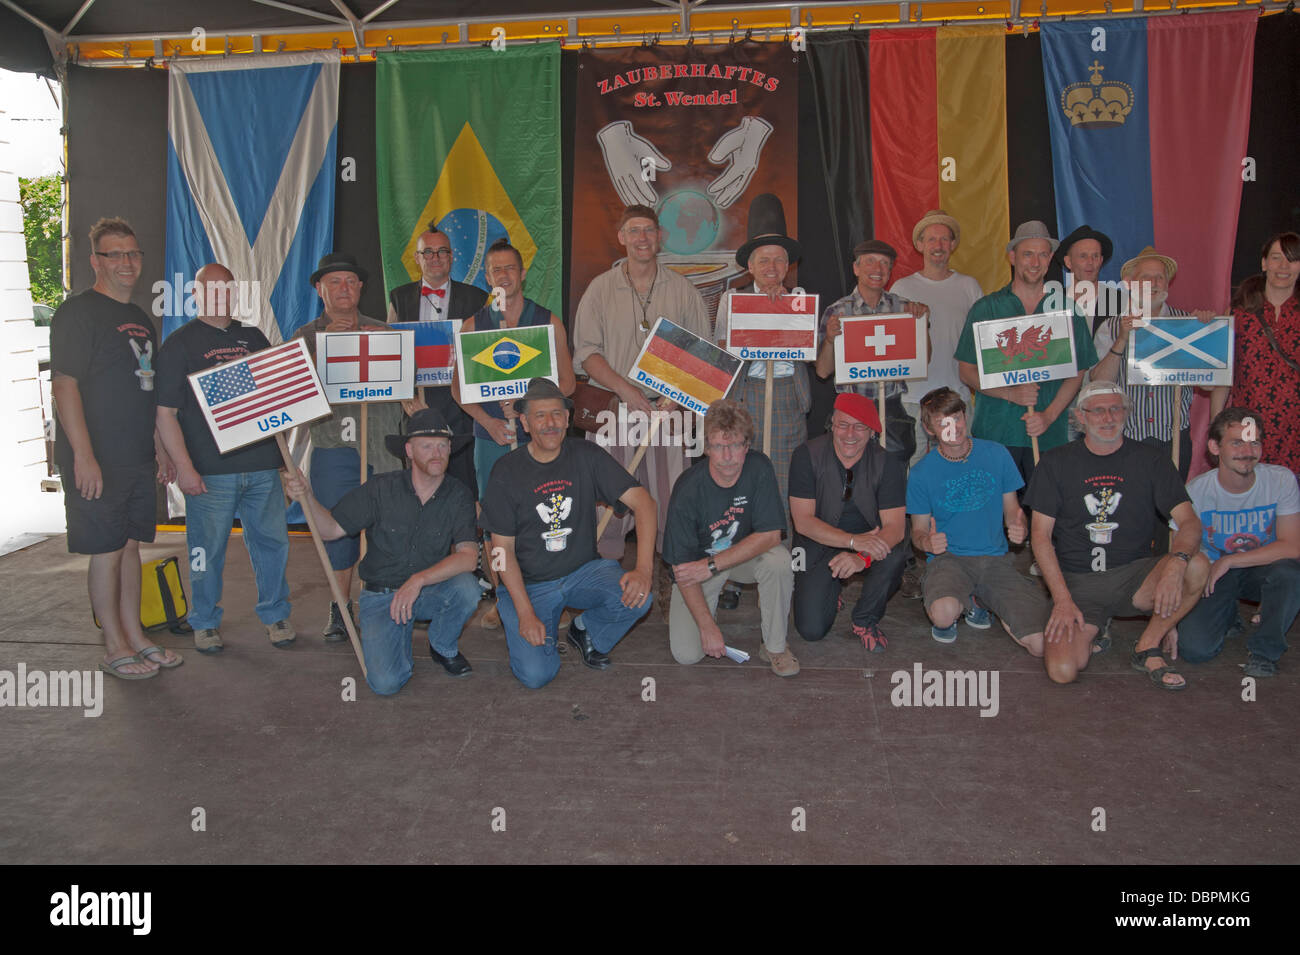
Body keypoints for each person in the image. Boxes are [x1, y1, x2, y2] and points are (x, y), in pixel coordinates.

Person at [51, 216, 182, 679]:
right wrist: (84, 457)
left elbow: (143, 389)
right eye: (115, 254)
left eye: (133, 253)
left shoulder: (138, 318)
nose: (126, 262)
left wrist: (159, 449)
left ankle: (136, 635)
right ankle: (112, 645)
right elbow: (64, 385)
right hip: (97, 458)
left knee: (130, 547)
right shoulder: (77, 312)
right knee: (106, 549)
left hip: (135, 456)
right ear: (95, 261)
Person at [1024, 380, 1210, 689]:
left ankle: (1147, 645)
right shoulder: (1055, 462)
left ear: (1126, 414)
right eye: (1097, 411)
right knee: (1063, 671)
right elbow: (1040, 538)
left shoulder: (1151, 460)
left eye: (1115, 409)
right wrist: (1061, 600)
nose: (1108, 418)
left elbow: (1189, 522)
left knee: (1196, 564)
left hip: (1134, 579)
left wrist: (1176, 562)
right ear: (1080, 417)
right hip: (1077, 584)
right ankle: (1099, 625)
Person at [283, 409, 481, 695]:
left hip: (428, 590)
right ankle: (395, 636)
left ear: (451, 448)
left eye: (442, 445)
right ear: (409, 451)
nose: (436, 453)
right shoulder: (380, 488)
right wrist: (307, 498)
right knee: (386, 684)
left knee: (467, 589)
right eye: (427, 446)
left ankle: (442, 646)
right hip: (381, 596)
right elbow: (331, 530)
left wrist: (418, 580)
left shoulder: (459, 494)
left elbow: (468, 556)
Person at [479, 379, 656, 689]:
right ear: (525, 422)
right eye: (540, 416)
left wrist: (643, 569)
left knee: (639, 598)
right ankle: (533, 631)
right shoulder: (506, 471)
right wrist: (525, 613)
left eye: (557, 414)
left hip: (582, 573)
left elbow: (645, 504)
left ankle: (586, 630)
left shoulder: (586, 455)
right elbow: (500, 550)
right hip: (529, 586)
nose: (550, 423)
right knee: (536, 675)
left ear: (568, 418)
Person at [155, 263, 293, 654]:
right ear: (194, 294)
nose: (219, 295)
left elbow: (276, 400)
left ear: (235, 293)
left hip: (262, 466)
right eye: (209, 289)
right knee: (205, 550)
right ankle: (204, 620)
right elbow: (165, 413)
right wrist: (184, 466)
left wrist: (283, 462)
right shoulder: (179, 344)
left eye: (226, 288)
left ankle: (276, 613)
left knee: (272, 544)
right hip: (210, 471)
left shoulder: (254, 337)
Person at [571, 204, 712, 562]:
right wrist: (625, 389)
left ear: (660, 237)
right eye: (634, 231)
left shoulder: (683, 291)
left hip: (668, 410)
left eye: (648, 230)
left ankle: (670, 580)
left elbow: (702, 357)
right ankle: (605, 582)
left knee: (669, 499)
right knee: (607, 505)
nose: (642, 238)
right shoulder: (600, 289)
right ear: (621, 238)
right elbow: (587, 354)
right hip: (613, 409)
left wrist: (678, 397)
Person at [451, 238, 575, 629]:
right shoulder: (474, 326)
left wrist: (529, 401)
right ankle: (503, 595)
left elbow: (568, 385)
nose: (503, 276)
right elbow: (458, 390)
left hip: (541, 441)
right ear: (487, 278)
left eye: (510, 268)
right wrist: (487, 422)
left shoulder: (547, 321)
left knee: (546, 517)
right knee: (496, 523)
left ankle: (549, 592)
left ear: (522, 273)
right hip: (492, 440)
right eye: (495, 270)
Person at [293, 252, 404, 643]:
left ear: (360, 288)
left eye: (350, 281)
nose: (344, 288)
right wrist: (331, 345)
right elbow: (294, 399)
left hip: (382, 448)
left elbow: (405, 392)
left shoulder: (385, 333)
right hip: (334, 448)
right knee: (338, 532)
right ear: (319, 289)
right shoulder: (305, 338)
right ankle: (340, 608)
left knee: (385, 528)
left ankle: (380, 602)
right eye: (334, 282)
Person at [956, 221, 1099, 489]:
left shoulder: (1067, 310)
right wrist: (1010, 393)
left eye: (1043, 254)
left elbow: (1077, 371)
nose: (1035, 262)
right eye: (1027, 254)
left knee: (1046, 515)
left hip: (1048, 435)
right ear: (1012, 257)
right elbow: (966, 371)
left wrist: (1048, 416)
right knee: (999, 514)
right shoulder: (986, 308)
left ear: (1051, 259)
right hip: (996, 432)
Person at [906, 387, 1048, 653]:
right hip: (949, 559)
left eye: (957, 417)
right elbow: (918, 531)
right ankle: (968, 598)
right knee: (943, 614)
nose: (953, 427)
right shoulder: (921, 473)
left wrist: (1020, 527)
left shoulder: (996, 453)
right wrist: (927, 542)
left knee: (1040, 645)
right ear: (929, 429)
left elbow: (1013, 511)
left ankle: (981, 599)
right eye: (943, 422)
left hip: (995, 559)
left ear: (965, 416)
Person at [662, 400, 798, 676]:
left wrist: (713, 565)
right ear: (706, 448)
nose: (727, 455)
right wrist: (707, 627)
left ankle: (774, 646)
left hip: (739, 557)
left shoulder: (759, 468)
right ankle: (709, 616)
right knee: (687, 655)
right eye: (718, 446)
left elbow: (772, 534)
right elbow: (682, 569)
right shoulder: (688, 488)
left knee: (780, 560)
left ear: (747, 447)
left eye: (735, 445)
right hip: (698, 568)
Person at [1177, 407, 1300, 677]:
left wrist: (1230, 559)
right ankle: (1228, 614)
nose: (1247, 451)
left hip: (1262, 567)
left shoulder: (1281, 480)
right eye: (1237, 442)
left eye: (1254, 442)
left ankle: (1265, 650)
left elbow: (1293, 546)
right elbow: (1177, 555)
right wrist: (1168, 622)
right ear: (1214, 447)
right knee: (1195, 651)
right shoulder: (1196, 492)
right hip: (1213, 575)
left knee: (1290, 573)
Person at [789, 393, 907, 652]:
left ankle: (865, 618)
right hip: (817, 539)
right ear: (831, 424)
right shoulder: (805, 455)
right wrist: (851, 542)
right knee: (811, 630)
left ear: (872, 432)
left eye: (859, 426)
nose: (849, 434)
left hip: (869, 538)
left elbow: (896, 527)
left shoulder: (887, 463)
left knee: (897, 554)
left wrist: (861, 556)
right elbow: (803, 523)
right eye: (843, 425)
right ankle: (829, 592)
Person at [1088, 245, 1216, 482]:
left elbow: (1209, 386)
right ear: (1130, 283)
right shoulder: (1111, 327)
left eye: (1160, 277)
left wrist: (1205, 332)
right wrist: (1123, 339)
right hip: (1127, 437)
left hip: (1175, 437)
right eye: (1146, 277)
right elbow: (1100, 384)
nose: (1154, 283)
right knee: (1131, 511)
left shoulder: (1188, 324)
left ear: (1167, 285)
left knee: (1171, 512)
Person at [715, 193, 810, 506]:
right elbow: (721, 352)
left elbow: (808, 351)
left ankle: (781, 548)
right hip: (746, 394)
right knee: (742, 474)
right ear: (751, 266)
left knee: (784, 478)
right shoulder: (733, 300)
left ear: (788, 265)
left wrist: (783, 310)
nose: (772, 266)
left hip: (786, 395)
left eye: (779, 259)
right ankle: (742, 544)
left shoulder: (799, 299)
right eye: (764, 260)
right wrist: (755, 322)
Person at [387, 223, 488, 495]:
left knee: (463, 485)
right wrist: (406, 398)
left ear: (452, 256)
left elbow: (482, 356)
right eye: (427, 252)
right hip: (417, 404)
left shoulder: (478, 298)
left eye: (442, 251)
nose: (435, 258)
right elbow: (392, 353)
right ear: (417, 258)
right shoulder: (399, 297)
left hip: (462, 407)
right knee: (420, 486)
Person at [889, 210, 984, 464]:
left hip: (957, 398)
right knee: (913, 473)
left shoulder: (969, 286)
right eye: (931, 239)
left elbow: (981, 343)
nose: (938, 246)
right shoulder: (901, 288)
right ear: (920, 245)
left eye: (944, 239)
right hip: (912, 400)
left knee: (959, 467)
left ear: (953, 245)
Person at [1211, 232, 1300, 476]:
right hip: (1248, 429)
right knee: (1251, 506)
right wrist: (1217, 431)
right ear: (1264, 263)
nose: (1283, 266)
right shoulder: (1239, 312)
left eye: (1292, 259)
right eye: (1276, 258)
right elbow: (1223, 378)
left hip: (1296, 429)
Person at [1051, 224, 1113, 335]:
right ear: (1068, 262)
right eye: (1083, 256)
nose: (1090, 262)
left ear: (1101, 261)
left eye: (1095, 256)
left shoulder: (1120, 303)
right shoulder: (1053, 304)